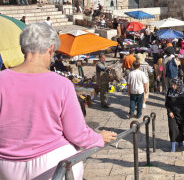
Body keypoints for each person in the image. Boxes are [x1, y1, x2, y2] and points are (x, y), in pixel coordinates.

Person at [0, 23, 116, 180]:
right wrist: (99, 138)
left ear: (22, 49)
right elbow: (77, 133)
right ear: (50, 49)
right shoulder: (61, 84)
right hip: (51, 163)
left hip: (7, 165)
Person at [165, 78, 184, 152]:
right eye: (172, 84)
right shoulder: (170, 91)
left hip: (181, 113)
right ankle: (173, 145)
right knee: (172, 129)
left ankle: (180, 141)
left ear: (178, 85)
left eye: (174, 85)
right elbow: (167, 103)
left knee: (181, 128)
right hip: (172, 113)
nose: (173, 86)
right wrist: (169, 111)